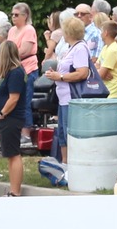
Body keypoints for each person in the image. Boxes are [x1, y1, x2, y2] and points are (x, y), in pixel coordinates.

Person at [41, 16, 96, 160]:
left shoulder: (80, 48)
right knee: (62, 132)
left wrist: (60, 77)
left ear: (68, 33)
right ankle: (65, 163)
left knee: (69, 132)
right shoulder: (71, 48)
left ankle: (73, 164)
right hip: (63, 97)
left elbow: (82, 73)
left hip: (72, 97)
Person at [0, 28, 28, 194]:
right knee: (11, 154)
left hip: (11, 117)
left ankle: (15, 190)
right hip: (9, 118)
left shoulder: (15, 73)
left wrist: (3, 113)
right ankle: (13, 189)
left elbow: (14, 98)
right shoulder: (11, 73)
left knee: (14, 154)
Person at [97, 19, 117, 100]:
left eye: (101, 31)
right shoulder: (105, 47)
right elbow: (96, 66)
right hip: (107, 91)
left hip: (114, 93)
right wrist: (100, 70)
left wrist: (101, 71)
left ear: (106, 33)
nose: (100, 34)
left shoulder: (112, 50)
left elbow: (100, 75)